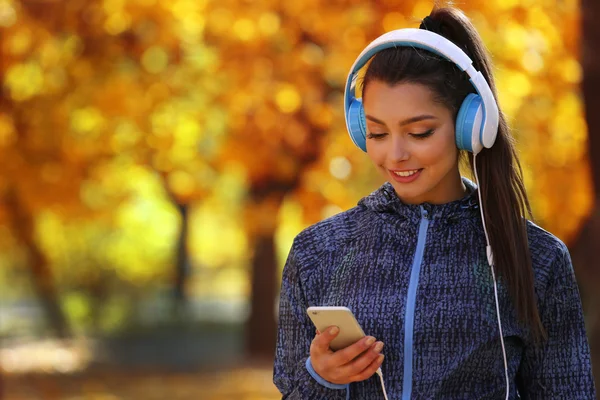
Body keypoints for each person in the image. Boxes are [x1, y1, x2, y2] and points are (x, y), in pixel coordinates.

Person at [273, 6, 596, 400]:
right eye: (376, 133)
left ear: (468, 126)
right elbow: (291, 390)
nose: (395, 155)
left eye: (420, 132)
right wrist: (319, 378)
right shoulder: (316, 252)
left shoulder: (538, 259)